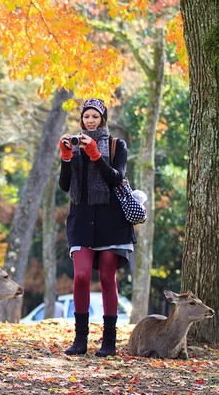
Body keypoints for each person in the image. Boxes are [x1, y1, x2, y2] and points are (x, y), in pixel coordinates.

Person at [57, 98, 136, 357]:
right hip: (81, 221)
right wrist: (67, 157)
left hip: (112, 222)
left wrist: (96, 156)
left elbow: (117, 177)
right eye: (86, 116)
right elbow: (65, 186)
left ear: (103, 119)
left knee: (105, 277)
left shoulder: (116, 145)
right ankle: (80, 340)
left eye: (95, 116)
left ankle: (109, 342)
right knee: (80, 276)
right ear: (81, 120)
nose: (90, 120)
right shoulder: (75, 145)